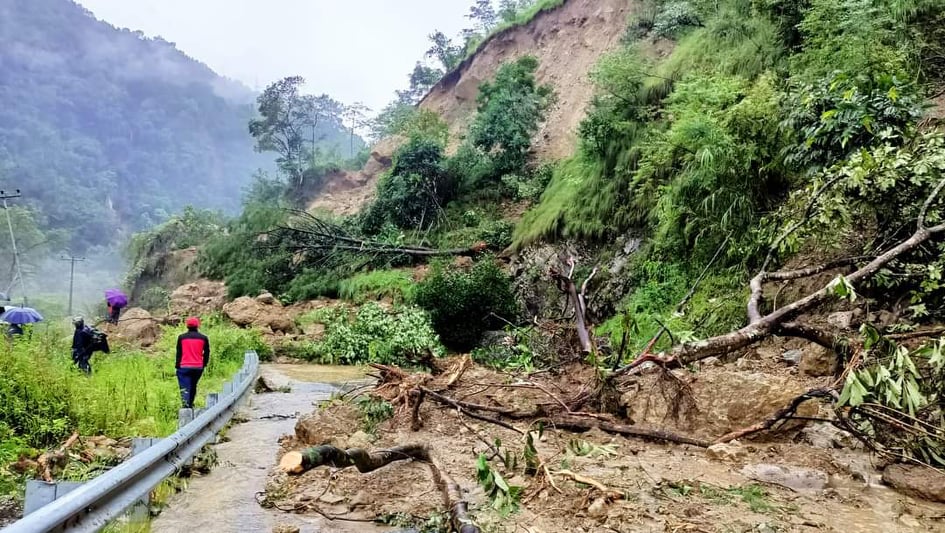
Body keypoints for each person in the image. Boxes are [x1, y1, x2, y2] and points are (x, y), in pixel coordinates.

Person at [176, 316, 210, 409]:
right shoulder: (203, 338)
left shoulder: (182, 338)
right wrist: (204, 364)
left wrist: (177, 366)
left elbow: (179, 352)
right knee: (193, 385)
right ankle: (190, 404)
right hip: (198, 367)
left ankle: (186, 406)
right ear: (197, 326)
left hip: (184, 366)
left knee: (185, 386)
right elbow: (207, 352)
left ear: (187, 326)